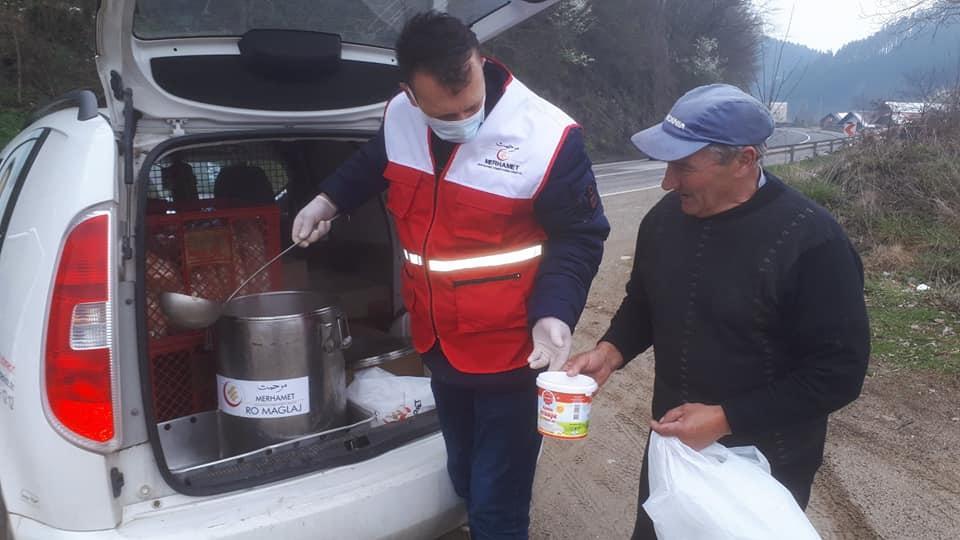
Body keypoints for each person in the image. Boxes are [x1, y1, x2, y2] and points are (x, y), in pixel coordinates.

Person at [291, 11, 609, 539]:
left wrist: (555, 313)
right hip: (438, 343)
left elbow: (580, 236)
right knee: (462, 473)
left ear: (481, 64)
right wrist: (327, 201)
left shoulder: (547, 137)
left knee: (497, 504)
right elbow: (375, 162)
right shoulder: (399, 116)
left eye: (471, 104)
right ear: (411, 95)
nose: (463, 118)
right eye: (446, 112)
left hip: (512, 353)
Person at [564, 84, 870, 539]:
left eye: (684, 166)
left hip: (767, 462)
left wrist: (727, 417)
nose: (668, 182)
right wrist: (610, 351)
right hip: (673, 447)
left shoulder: (813, 242)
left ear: (745, 160)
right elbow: (646, 301)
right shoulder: (664, 220)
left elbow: (838, 372)